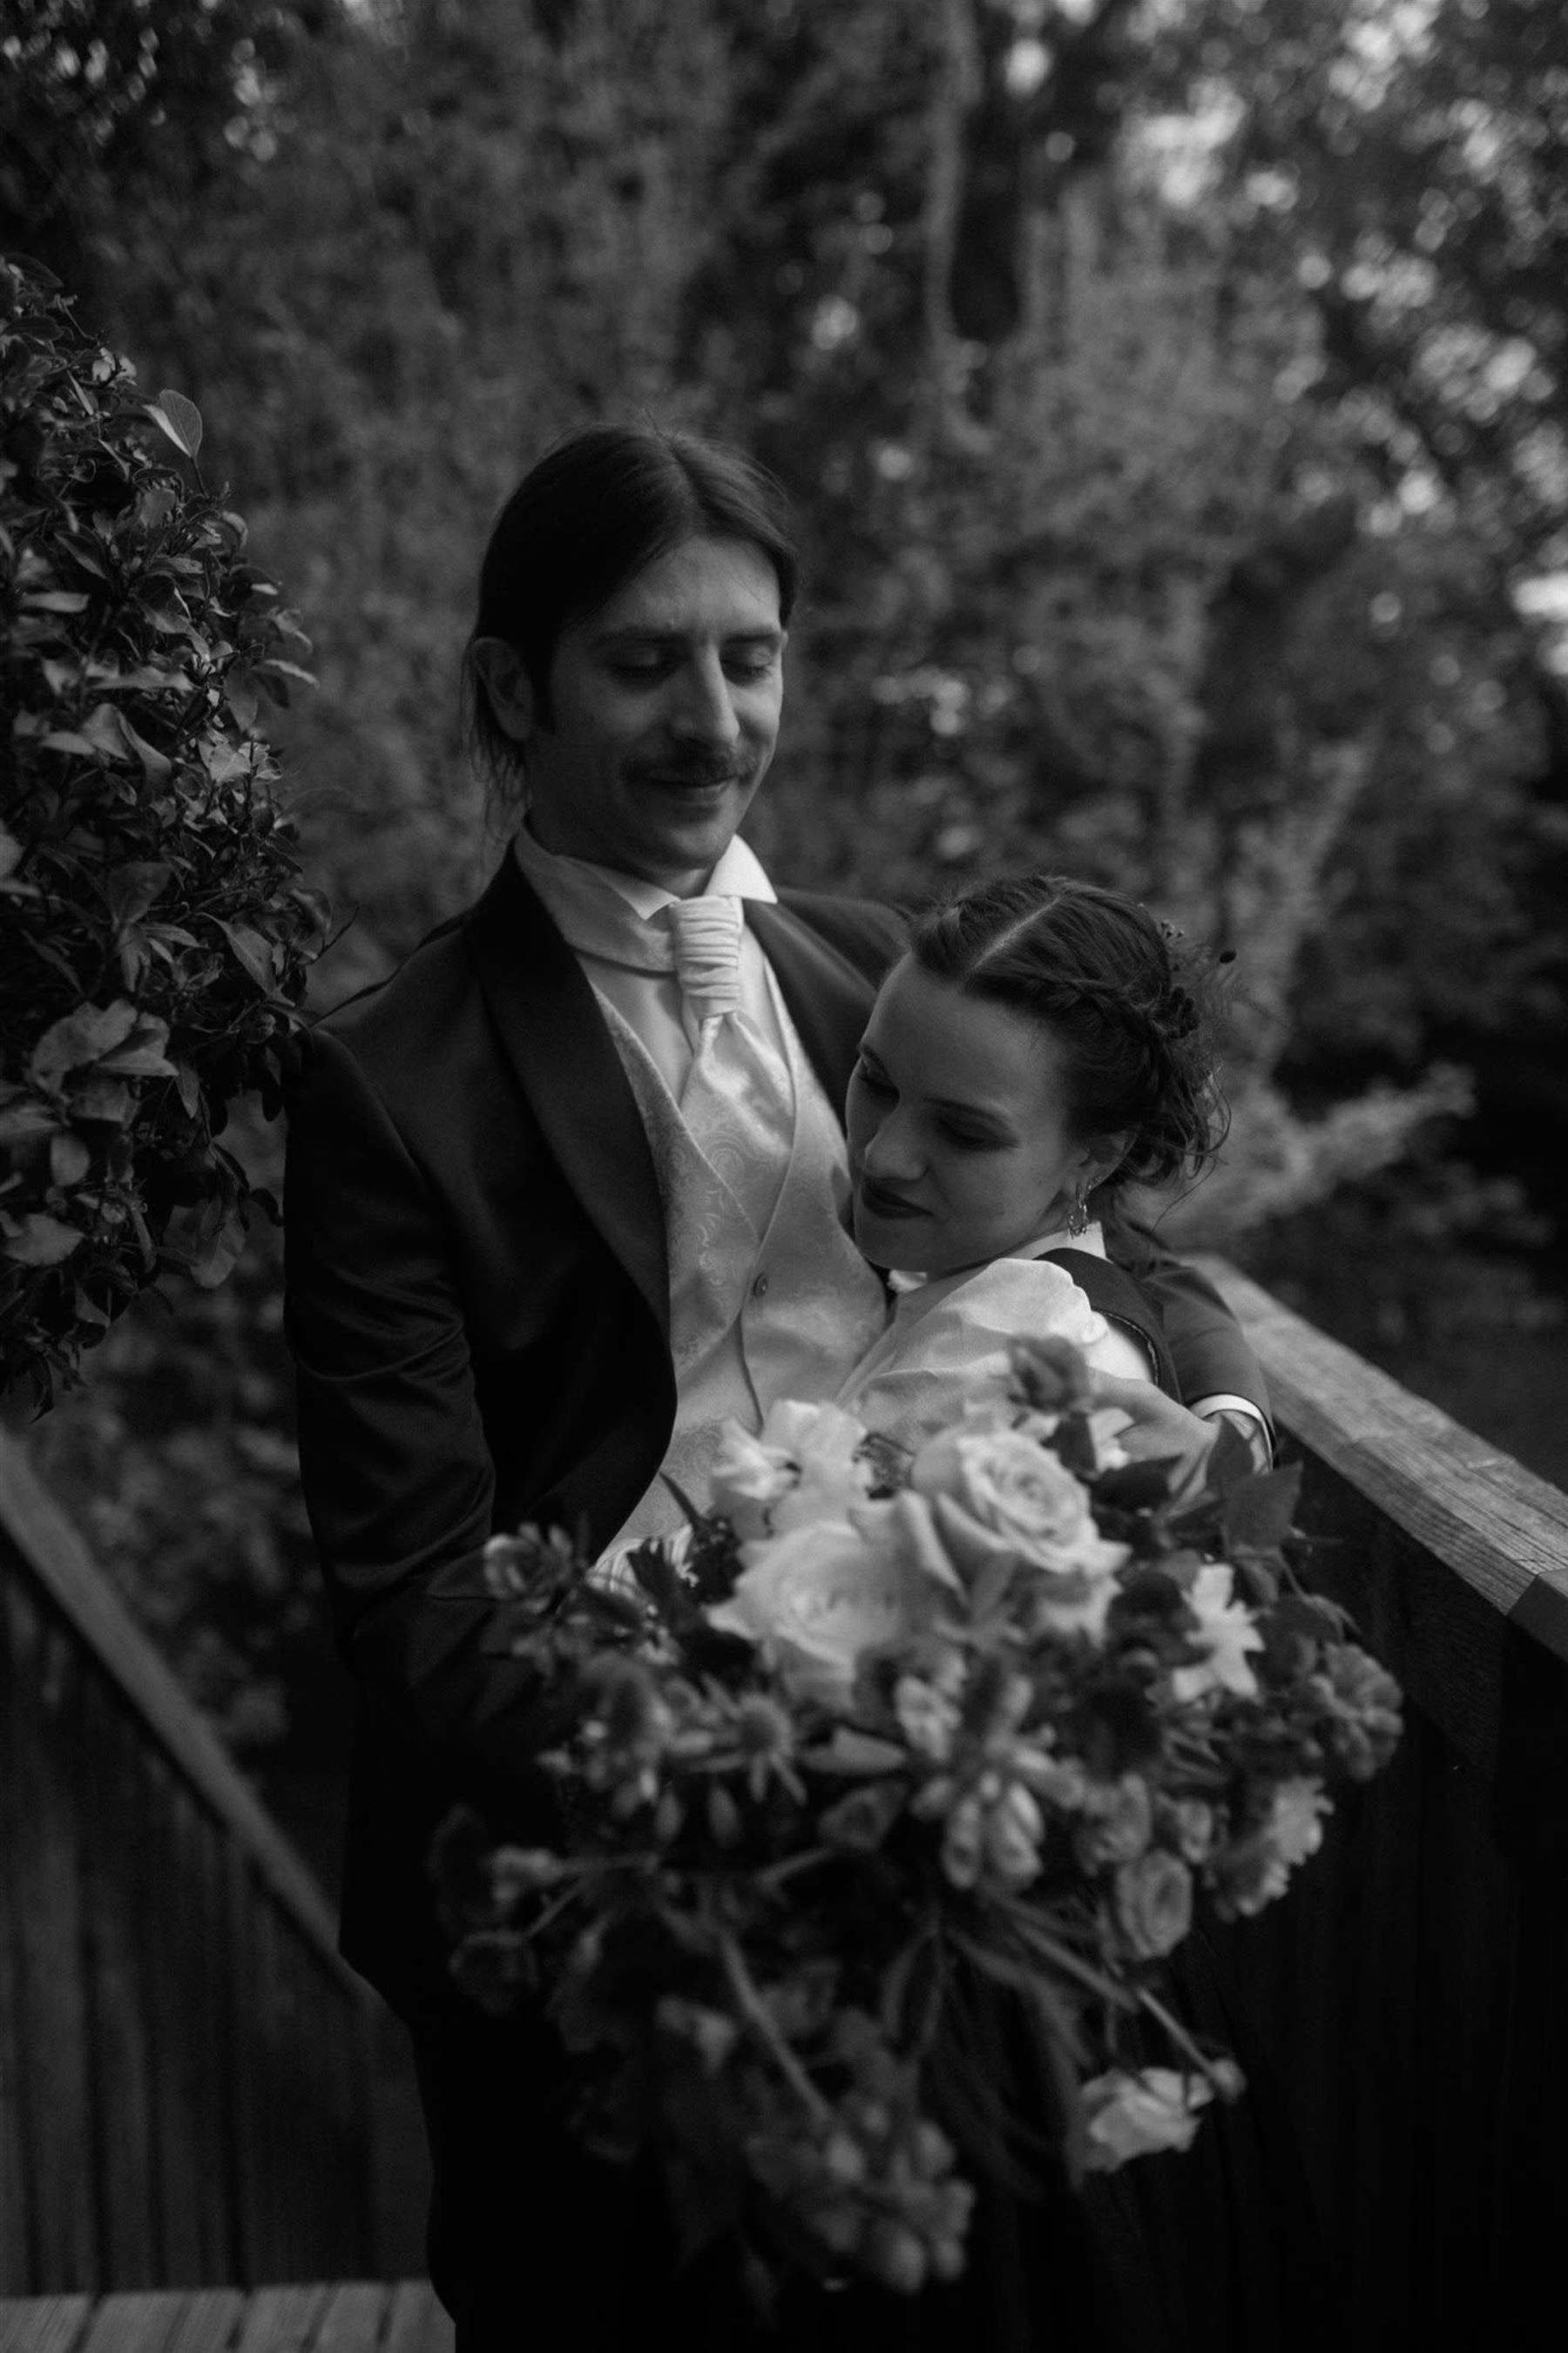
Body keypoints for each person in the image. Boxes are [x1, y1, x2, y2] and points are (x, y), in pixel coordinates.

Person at [281, 422, 1274, 2349]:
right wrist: (729, 1781)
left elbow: (1129, 1244)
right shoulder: (384, 1080)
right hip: (578, 1871)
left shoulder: (877, 970)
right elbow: (413, 1594)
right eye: (646, 661)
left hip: (931, 1844)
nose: (715, 716)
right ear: (515, 686)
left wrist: (1221, 1430)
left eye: (752, 656)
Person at [834, 872, 1228, 1463]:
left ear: (1094, 1158)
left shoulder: (1006, 1355)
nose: (881, 1156)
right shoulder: (983, 1281)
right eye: (876, 1080)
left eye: (963, 1132)